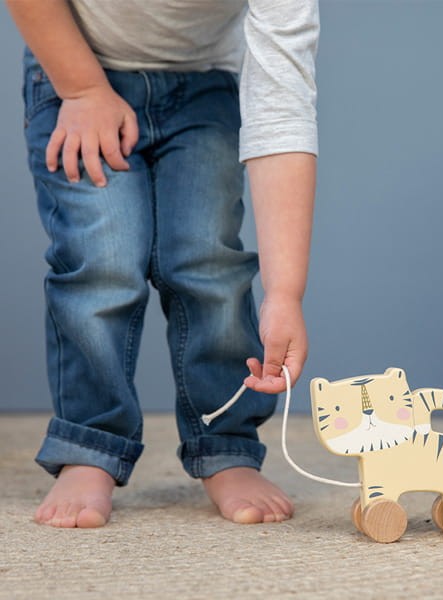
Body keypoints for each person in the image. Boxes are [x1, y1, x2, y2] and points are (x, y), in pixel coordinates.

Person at [6, 0, 318, 528]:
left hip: (205, 82)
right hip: (76, 65)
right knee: (101, 263)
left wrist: (285, 294)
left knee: (208, 263)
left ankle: (225, 446)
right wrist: (83, 90)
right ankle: (89, 446)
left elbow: (281, 116)